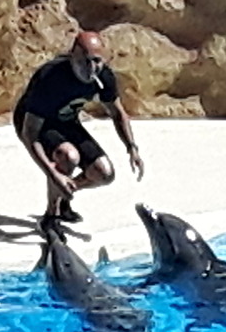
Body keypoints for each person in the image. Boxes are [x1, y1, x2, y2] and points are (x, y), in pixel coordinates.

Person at [13, 31, 144, 228]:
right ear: (73, 56)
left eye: (97, 61)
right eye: (85, 61)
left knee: (104, 173)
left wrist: (132, 148)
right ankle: (51, 216)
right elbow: (30, 133)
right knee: (68, 156)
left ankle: (66, 195)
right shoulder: (51, 77)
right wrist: (54, 175)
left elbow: (117, 114)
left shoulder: (103, 77)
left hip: (66, 121)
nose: (91, 69)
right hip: (33, 123)